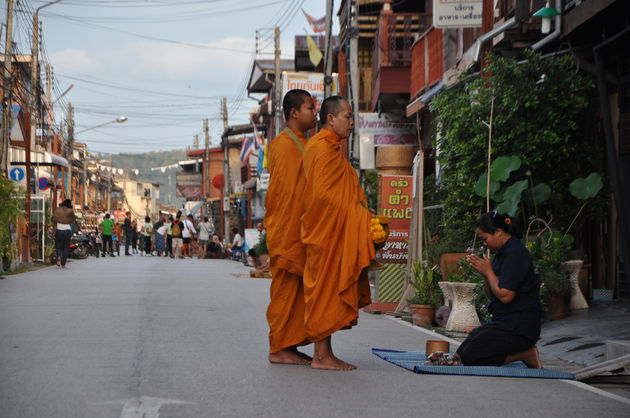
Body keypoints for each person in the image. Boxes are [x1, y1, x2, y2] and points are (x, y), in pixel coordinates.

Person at [301, 96, 375, 370]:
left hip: (332, 230)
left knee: (330, 292)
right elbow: (322, 196)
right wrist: (359, 216)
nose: (352, 122)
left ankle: (325, 354)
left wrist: (361, 215)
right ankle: (321, 357)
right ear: (330, 118)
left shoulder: (331, 148)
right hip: (325, 232)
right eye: (348, 116)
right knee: (326, 291)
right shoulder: (321, 148)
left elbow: (339, 193)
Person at [265, 89, 318, 365]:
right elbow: (286, 197)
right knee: (287, 292)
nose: (315, 113)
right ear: (294, 112)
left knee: (300, 294)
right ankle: (279, 348)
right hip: (290, 233)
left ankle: (290, 343)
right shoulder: (285, 145)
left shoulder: (303, 143)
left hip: (302, 231)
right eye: (310, 107)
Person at [456, 212, 542, 368]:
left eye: (485, 238)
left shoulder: (516, 254)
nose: (485, 244)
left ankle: (526, 354)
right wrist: (486, 273)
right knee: (463, 352)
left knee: (469, 357)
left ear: (498, 232)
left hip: (520, 328)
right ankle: (522, 353)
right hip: (504, 322)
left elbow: (505, 296)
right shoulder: (501, 254)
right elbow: (492, 294)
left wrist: (489, 272)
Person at [52, 199, 76, 268]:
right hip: (67, 230)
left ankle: (59, 256)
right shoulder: (70, 211)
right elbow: (73, 219)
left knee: (58, 245)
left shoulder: (57, 210)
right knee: (66, 247)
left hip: (59, 230)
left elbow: (53, 219)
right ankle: (63, 263)